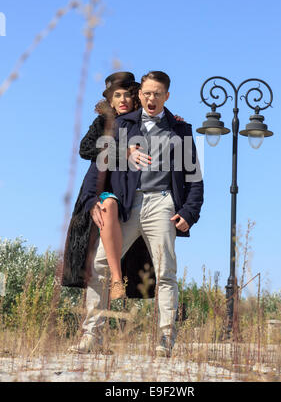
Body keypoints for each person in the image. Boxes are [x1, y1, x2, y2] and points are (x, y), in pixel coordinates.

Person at [80, 71, 204, 357]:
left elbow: (194, 178)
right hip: (126, 206)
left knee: (165, 273)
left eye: (157, 93)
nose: (151, 98)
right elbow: (98, 166)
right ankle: (91, 336)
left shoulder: (180, 131)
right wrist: (90, 201)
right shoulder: (122, 126)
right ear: (141, 95)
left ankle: (164, 339)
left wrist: (190, 211)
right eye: (147, 93)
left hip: (162, 204)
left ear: (166, 96)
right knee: (99, 266)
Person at [62, 72, 156, 305]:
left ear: (135, 97)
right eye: (117, 96)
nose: (122, 100)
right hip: (103, 193)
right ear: (110, 101)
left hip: (135, 197)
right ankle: (115, 281)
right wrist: (124, 152)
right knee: (108, 208)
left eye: (127, 95)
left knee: (156, 269)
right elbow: (85, 150)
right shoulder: (104, 124)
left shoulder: (145, 123)